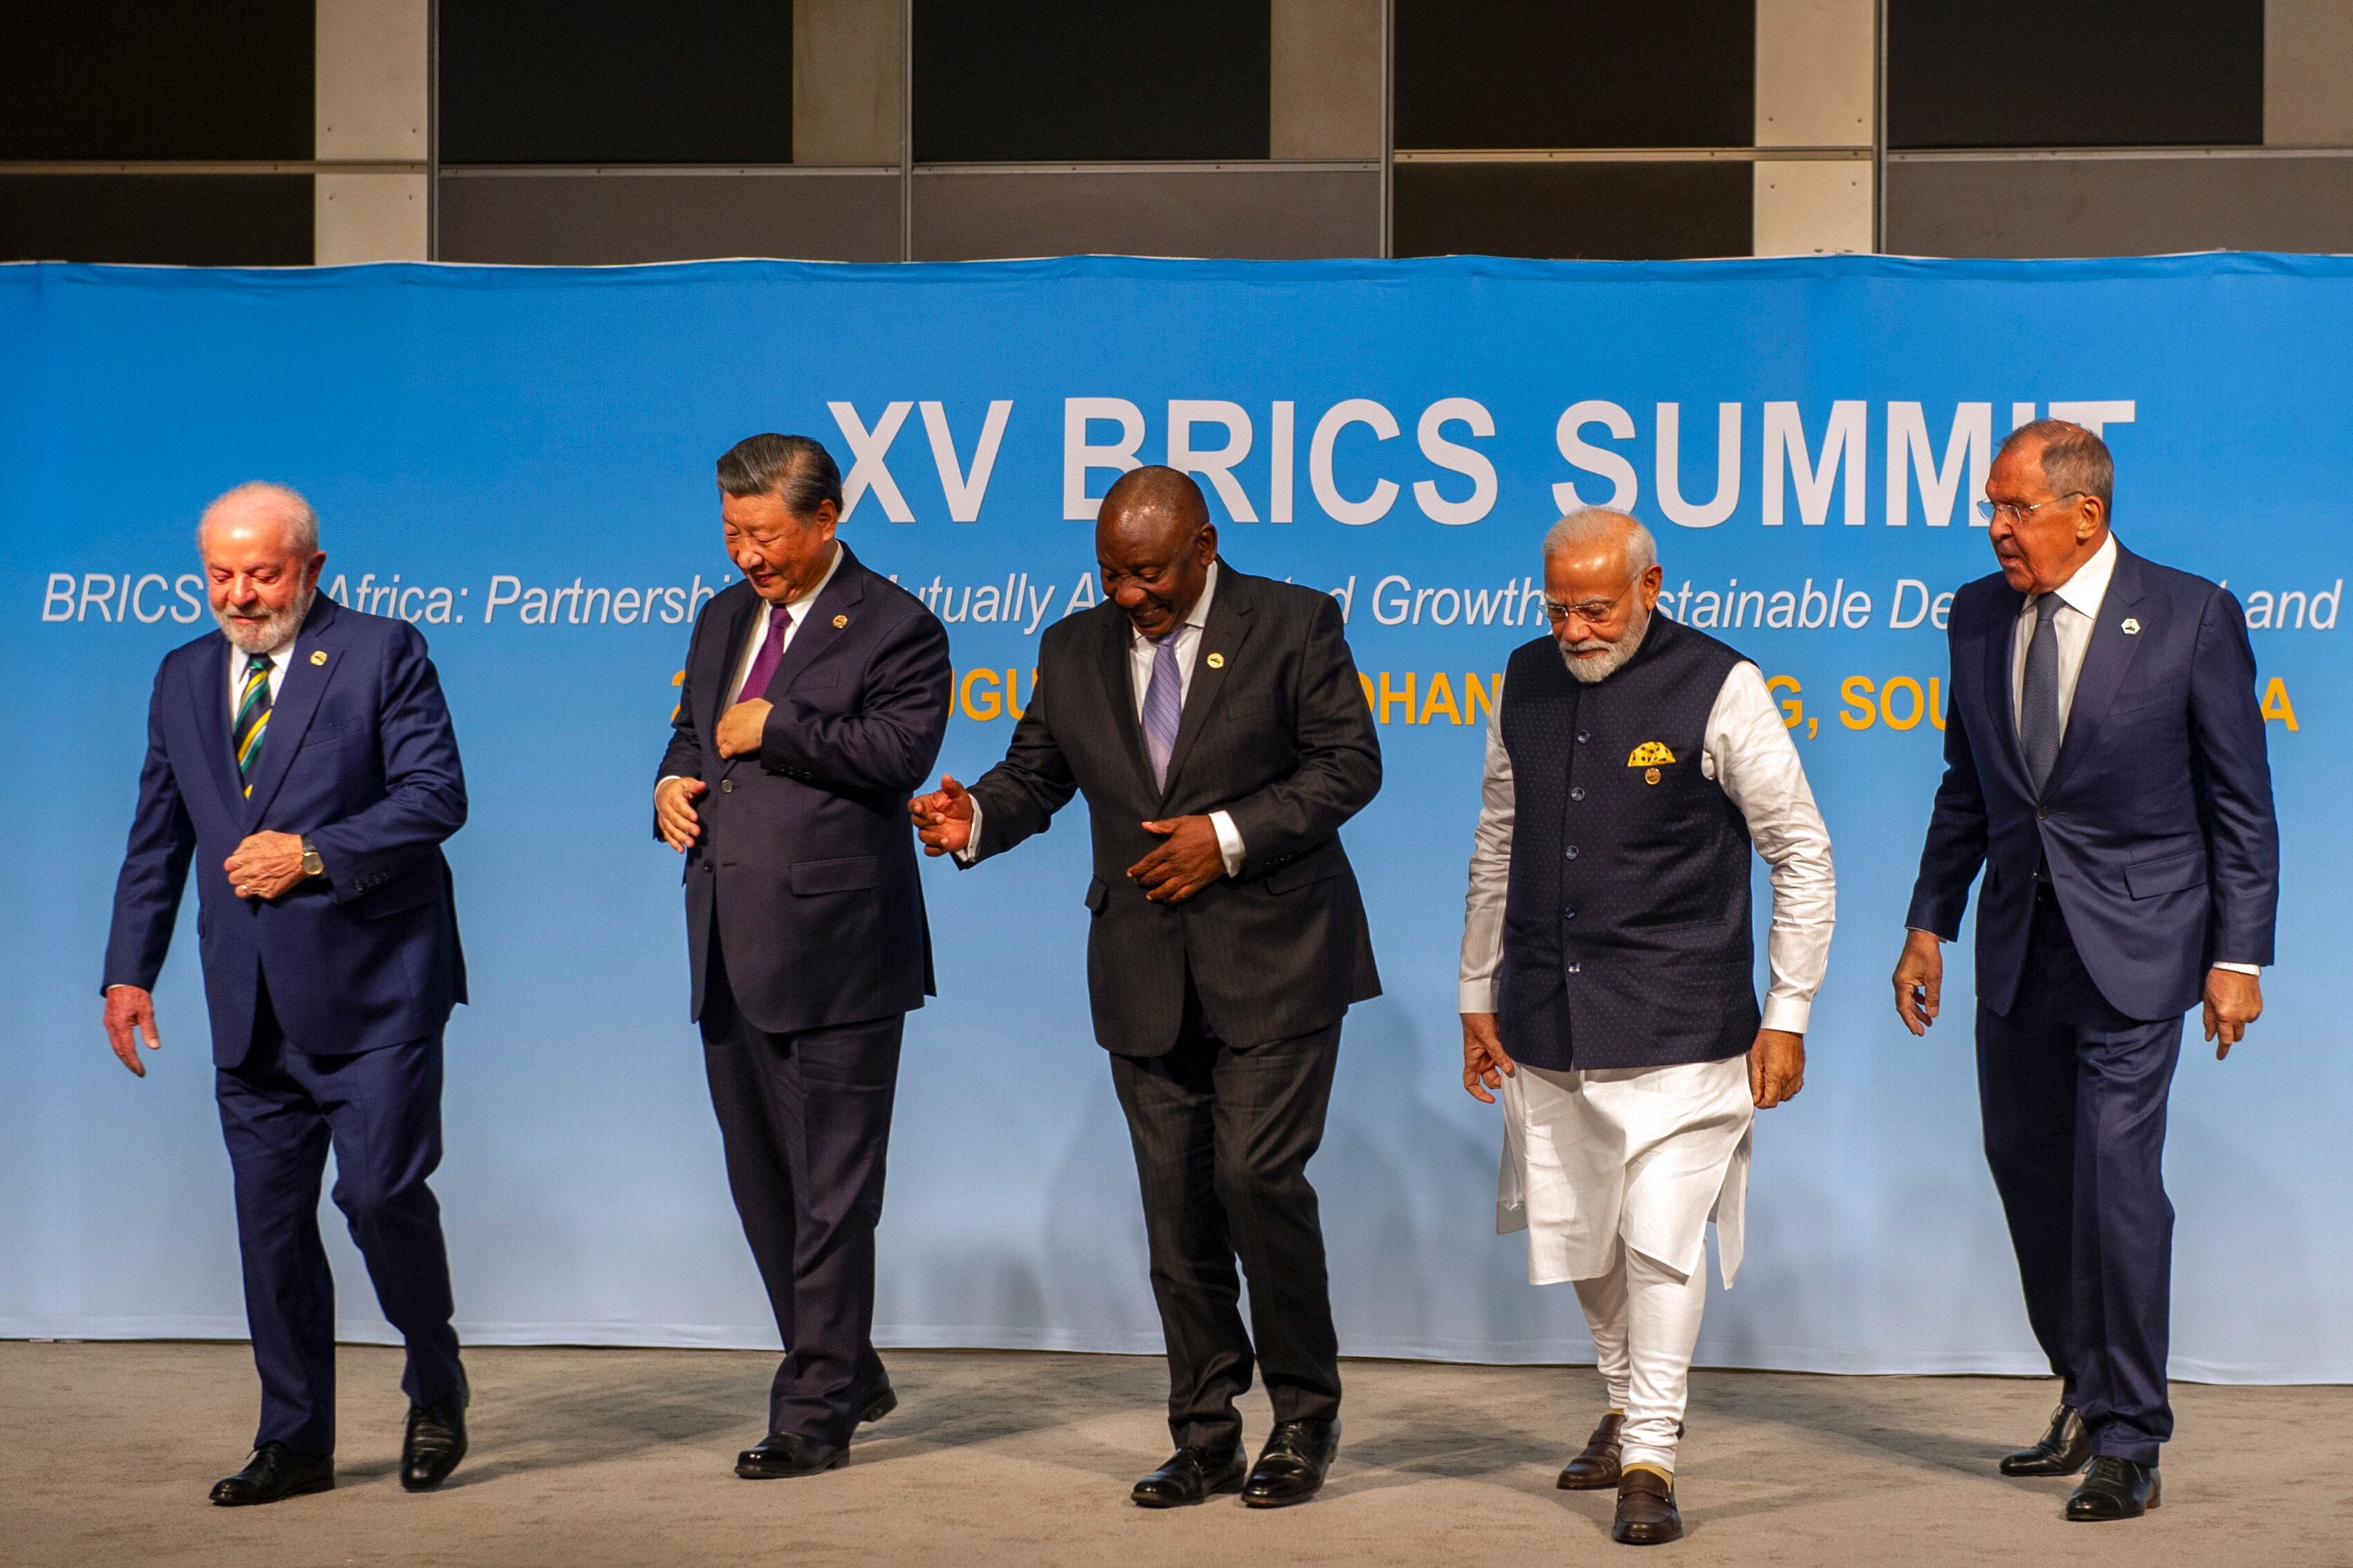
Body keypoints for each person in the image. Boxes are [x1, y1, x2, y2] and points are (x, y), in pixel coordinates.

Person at [910, 465, 1380, 1510]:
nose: (1131, 596)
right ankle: (1204, 1432)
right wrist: (975, 819)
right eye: (1112, 575)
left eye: (1151, 574)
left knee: (1256, 1182)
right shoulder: (1074, 646)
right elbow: (1037, 772)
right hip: (1141, 973)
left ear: (1204, 546)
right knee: (1176, 1216)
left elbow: (1348, 766)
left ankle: (1304, 1416)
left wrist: (1224, 839)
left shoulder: (1294, 622)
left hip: (1279, 962)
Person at [1894, 421, 2277, 1522]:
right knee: (2027, 1171)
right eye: (1991, 507)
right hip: (2018, 945)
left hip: (2144, 946)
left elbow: (2239, 807)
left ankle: (2128, 1434)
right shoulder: (1974, 612)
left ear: (2084, 514)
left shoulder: (2190, 616)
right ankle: (2081, 1385)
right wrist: (1929, 922)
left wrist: (2235, 955)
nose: (1995, 527)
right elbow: (1967, 782)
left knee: (2115, 1183)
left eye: (2013, 508)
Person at [1459, 508, 1831, 1547]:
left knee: (1661, 1245)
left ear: (1650, 586)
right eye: (1558, 608)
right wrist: (1473, 994)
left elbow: (1800, 853)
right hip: (1544, 1017)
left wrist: (1787, 1013)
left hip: (1686, 1026)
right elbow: (1497, 840)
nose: (1574, 630)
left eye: (1596, 608)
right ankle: (1622, 1405)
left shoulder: (1721, 685)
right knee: (1587, 1243)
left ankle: (1652, 1456)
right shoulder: (1522, 678)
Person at [102, 482, 473, 1505]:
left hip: (377, 993)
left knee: (378, 1196)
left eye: (262, 572)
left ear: (312, 568)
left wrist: (313, 854)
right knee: (270, 1229)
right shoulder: (182, 676)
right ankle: (295, 1439)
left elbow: (437, 795)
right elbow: (157, 837)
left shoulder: (381, 652)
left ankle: (435, 1380)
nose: (239, 593)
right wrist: (130, 969)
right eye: (221, 574)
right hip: (247, 1001)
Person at [654, 434, 951, 1479]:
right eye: (732, 532)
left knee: (833, 1194)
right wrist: (670, 783)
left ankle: (813, 1409)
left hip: (840, 951)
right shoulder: (722, 616)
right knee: (764, 1188)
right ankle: (848, 1363)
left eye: (766, 534)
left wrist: (776, 725)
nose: (748, 556)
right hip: (728, 946)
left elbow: (898, 754)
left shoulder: (898, 625)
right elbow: (696, 731)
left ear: (826, 520)